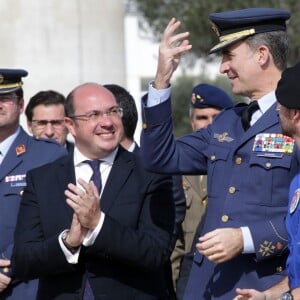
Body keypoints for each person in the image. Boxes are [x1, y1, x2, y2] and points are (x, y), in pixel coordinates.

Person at [139, 8, 299, 300]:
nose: (223, 68)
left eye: (229, 55)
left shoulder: (294, 120)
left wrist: (246, 239)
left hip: (263, 286)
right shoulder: (227, 121)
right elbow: (159, 157)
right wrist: (161, 82)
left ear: (262, 54)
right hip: (207, 285)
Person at [11, 82, 175, 299]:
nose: (107, 122)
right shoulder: (42, 180)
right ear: (70, 125)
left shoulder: (150, 174)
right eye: (94, 115)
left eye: (113, 112)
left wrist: (98, 225)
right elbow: (23, 262)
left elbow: (156, 253)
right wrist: (68, 243)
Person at [105, 83, 185, 298]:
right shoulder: (82, 169)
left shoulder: (157, 170)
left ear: (117, 119)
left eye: (98, 114)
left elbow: (160, 243)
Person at [234, 63, 300, 300]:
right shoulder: (296, 182)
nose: (275, 112)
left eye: (279, 106)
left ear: (296, 115)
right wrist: (269, 296)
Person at [0, 69, 67, 299]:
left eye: (5, 98)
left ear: (20, 105)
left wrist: (7, 267)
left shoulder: (47, 156)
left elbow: (51, 223)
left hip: (24, 286)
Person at [174, 83, 234, 294]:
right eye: (202, 118)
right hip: (189, 279)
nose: (209, 125)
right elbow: (175, 242)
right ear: (191, 122)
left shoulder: (237, 166)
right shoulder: (177, 167)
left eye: (216, 118)